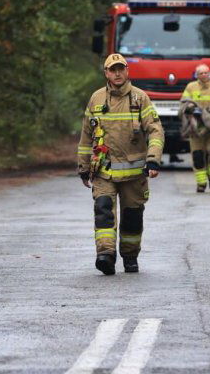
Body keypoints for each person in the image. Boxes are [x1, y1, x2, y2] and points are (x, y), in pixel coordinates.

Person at [77, 54, 164, 275]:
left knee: (132, 218)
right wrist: (83, 167)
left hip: (134, 175)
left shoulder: (140, 98)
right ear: (106, 73)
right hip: (103, 172)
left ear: (127, 71)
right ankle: (105, 255)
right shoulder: (96, 99)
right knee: (103, 211)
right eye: (112, 69)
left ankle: (130, 256)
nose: (117, 73)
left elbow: (155, 130)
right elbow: (86, 136)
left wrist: (153, 159)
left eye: (121, 69)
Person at [180, 64, 210, 192]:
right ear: (197, 75)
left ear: (209, 74)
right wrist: (189, 109)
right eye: (201, 73)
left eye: (206, 72)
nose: (204, 75)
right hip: (196, 128)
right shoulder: (191, 87)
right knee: (198, 156)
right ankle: (201, 183)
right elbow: (184, 103)